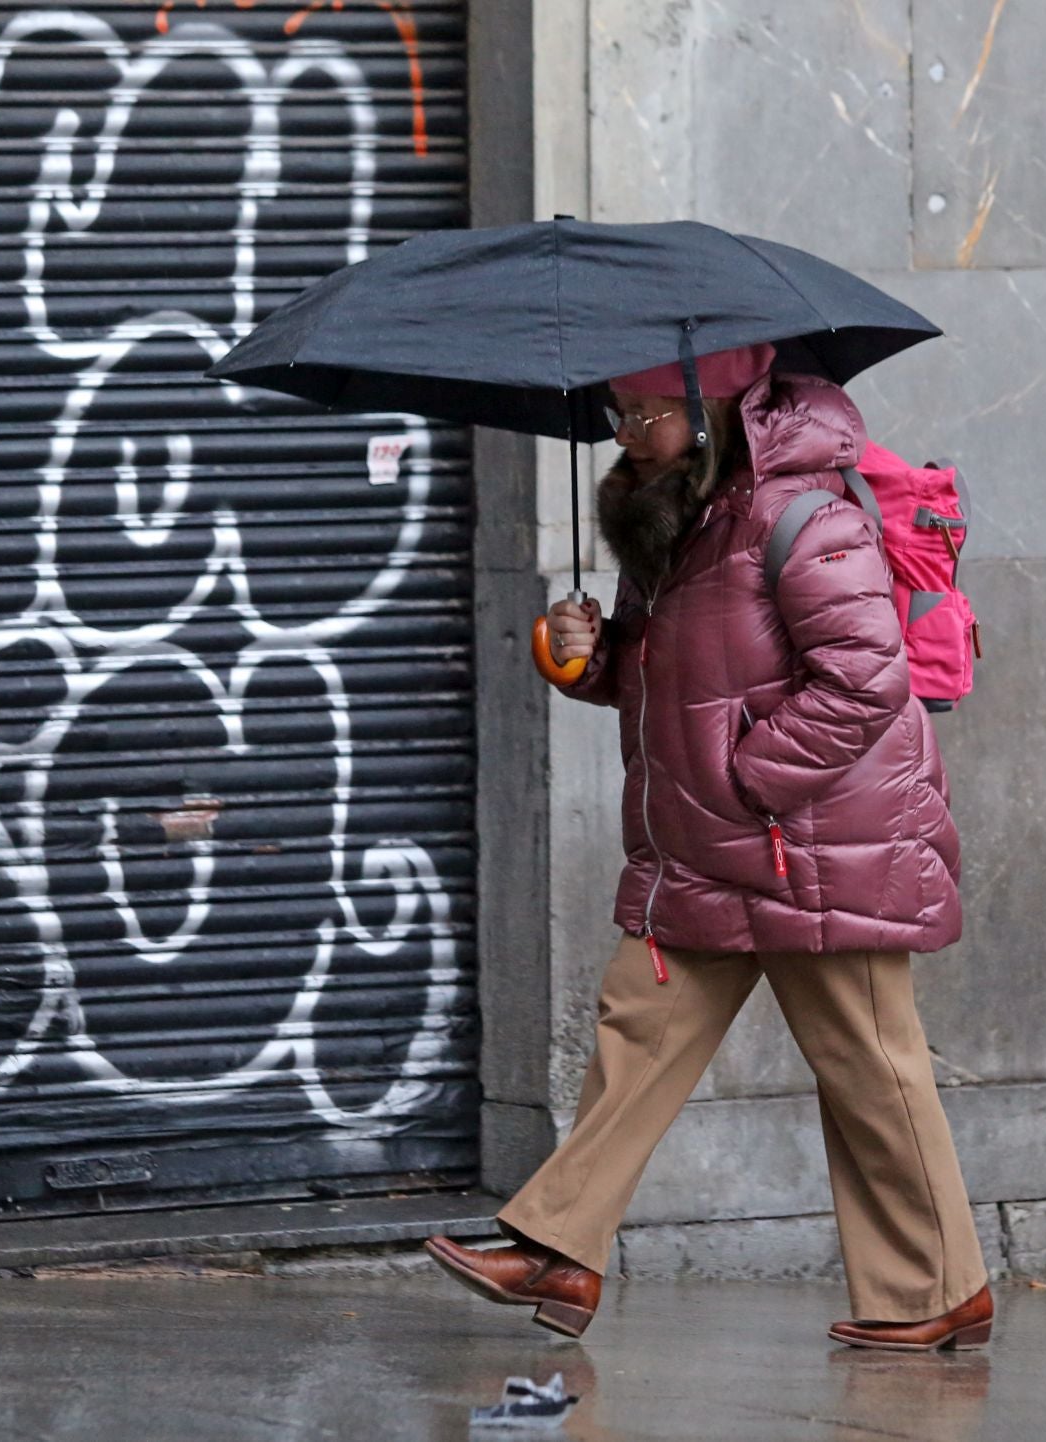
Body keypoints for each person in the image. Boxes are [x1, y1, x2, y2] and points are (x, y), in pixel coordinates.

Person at [425, 343, 990, 1352]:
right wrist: (585, 658)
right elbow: (672, 678)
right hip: (709, 842)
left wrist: (747, 778)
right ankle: (560, 1247)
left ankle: (937, 1287)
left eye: (645, 410)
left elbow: (866, 679)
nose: (625, 429)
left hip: (813, 843)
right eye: (618, 412)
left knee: (867, 1062)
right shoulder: (688, 523)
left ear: (710, 403)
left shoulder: (805, 518)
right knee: (636, 1025)